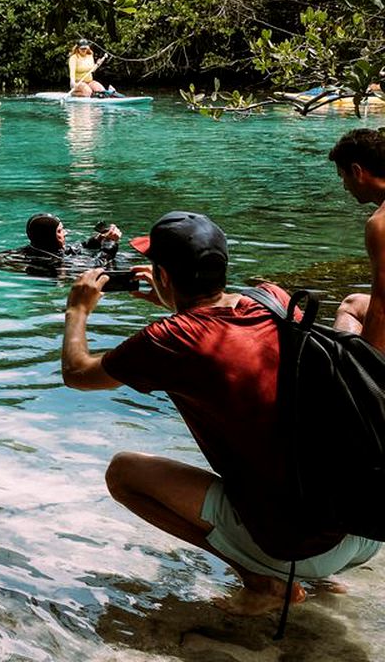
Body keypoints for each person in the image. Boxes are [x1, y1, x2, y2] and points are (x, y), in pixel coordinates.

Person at [60, 210, 380, 613]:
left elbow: (77, 372)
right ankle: (318, 576)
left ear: (163, 276)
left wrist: (78, 310)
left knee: (124, 474)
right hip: (363, 522)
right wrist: (172, 299)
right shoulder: (274, 299)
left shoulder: (172, 339)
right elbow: (223, 330)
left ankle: (263, 579)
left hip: (297, 547)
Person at [329, 127, 385, 352]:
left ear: (357, 171)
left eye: (343, 177)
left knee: (351, 307)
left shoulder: (380, 224)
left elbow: (382, 306)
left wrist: (367, 370)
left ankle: (346, 368)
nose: (345, 186)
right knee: (355, 302)